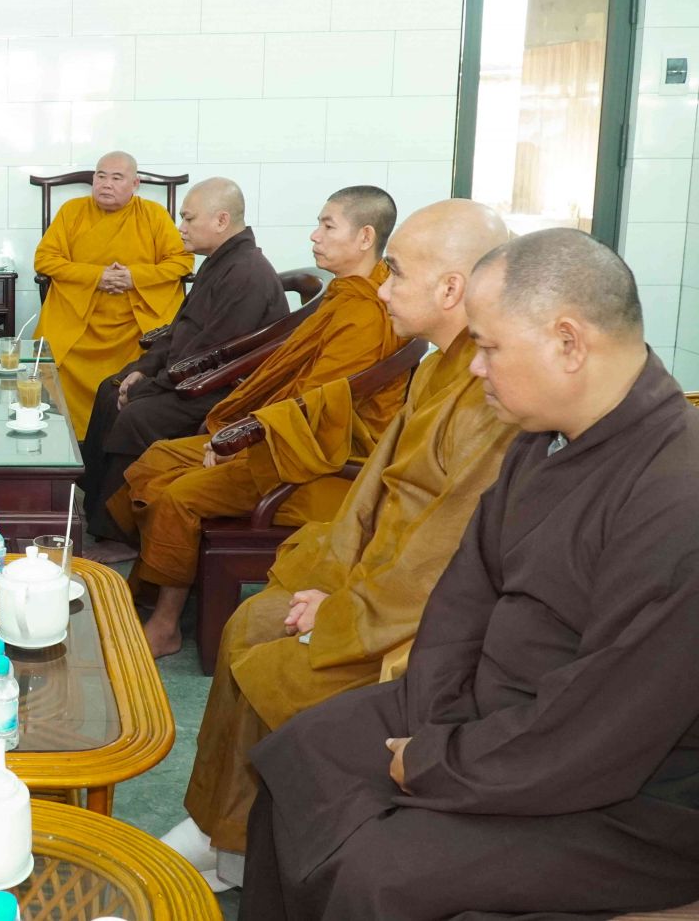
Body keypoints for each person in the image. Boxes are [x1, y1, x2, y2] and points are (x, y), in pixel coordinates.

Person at [242, 228, 699, 920]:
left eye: (488, 348)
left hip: (623, 791)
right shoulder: (540, 440)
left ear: (569, 343)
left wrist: (439, 759)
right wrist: (438, 714)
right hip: (485, 714)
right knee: (297, 756)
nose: (476, 368)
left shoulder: (676, 497)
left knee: (379, 873)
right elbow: (465, 595)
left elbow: (607, 721)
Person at [161, 199, 516, 892]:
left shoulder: (491, 391)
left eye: (397, 275)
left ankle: (240, 843)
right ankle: (221, 828)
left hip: (413, 617)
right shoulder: (437, 367)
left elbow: (447, 549)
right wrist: (328, 576)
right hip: (367, 570)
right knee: (252, 621)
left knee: (274, 660)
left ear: (451, 289)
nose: (383, 290)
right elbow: (375, 489)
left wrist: (343, 611)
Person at [113, 186, 406, 658]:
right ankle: (156, 587)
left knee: (178, 496)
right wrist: (241, 428)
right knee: (156, 459)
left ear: (365, 237)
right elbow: (294, 382)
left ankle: (165, 624)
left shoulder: (366, 314)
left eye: (328, 225)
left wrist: (241, 437)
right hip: (280, 434)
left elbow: (319, 407)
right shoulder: (346, 295)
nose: (314, 235)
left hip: (319, 462)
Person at [79, 177, 288, 557]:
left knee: (138, 415)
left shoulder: (246, 273)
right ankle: (94, 510)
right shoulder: (220, 263)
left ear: (221, 220)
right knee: (111, 387)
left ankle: (121, 534)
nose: (181, 228)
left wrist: (147, 388)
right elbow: (179, 330)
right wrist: (142, 369)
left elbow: (213, 355)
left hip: (221, 389)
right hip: (193, 374)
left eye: (189, 219)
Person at [33, 151, 195, 439]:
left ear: (135, 184)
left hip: (135, 321)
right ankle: (67, 437)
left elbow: (182, 262)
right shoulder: (72, 211)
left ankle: (124, 436)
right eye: (101, 176)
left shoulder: (154, 215)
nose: (106, 184)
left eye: (117, 178)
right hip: (78, 318)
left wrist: (134, 277)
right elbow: (45, 260)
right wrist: (96, 277)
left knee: (151, 356)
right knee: (54, 359)